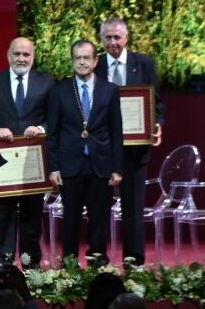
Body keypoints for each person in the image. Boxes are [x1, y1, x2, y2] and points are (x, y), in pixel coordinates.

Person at [95, 17, 165, 266]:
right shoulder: (94, 65)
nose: (113, 42)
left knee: (133, 209)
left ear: (126, 38)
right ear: (101, 39)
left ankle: (134, 264)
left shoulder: (144, 64)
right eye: (108, 37)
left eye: (117, 37)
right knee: (98, 208)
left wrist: (157, 124)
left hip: (135, 150)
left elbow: (156, 104)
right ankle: (97, 263)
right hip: (102, 149)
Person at [47, 39, 123, 267]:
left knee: (99, 218)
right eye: (77, 58)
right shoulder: (59, 91)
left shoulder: (110, 90)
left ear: (95, 61)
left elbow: (116, 132)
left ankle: (98, 263)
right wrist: (54, 167)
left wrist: (117, 168)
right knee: (70, 219)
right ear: (72, 60)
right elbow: (53, 133)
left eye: (86, 58)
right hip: (70, 164)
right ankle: (69, 265)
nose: (82, 62)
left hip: (100, 164)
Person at [0, 37, 53, 268]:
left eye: (26, 54)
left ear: (33, 57)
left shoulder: (46, 82)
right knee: (3, 216)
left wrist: (41, 129)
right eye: (17, 54)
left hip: (33, 163)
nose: (21, 58)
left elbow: (55, 117)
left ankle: (31, 267)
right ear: (8, 55)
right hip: (2, 164)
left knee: (32, 217)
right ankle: (5, 266)